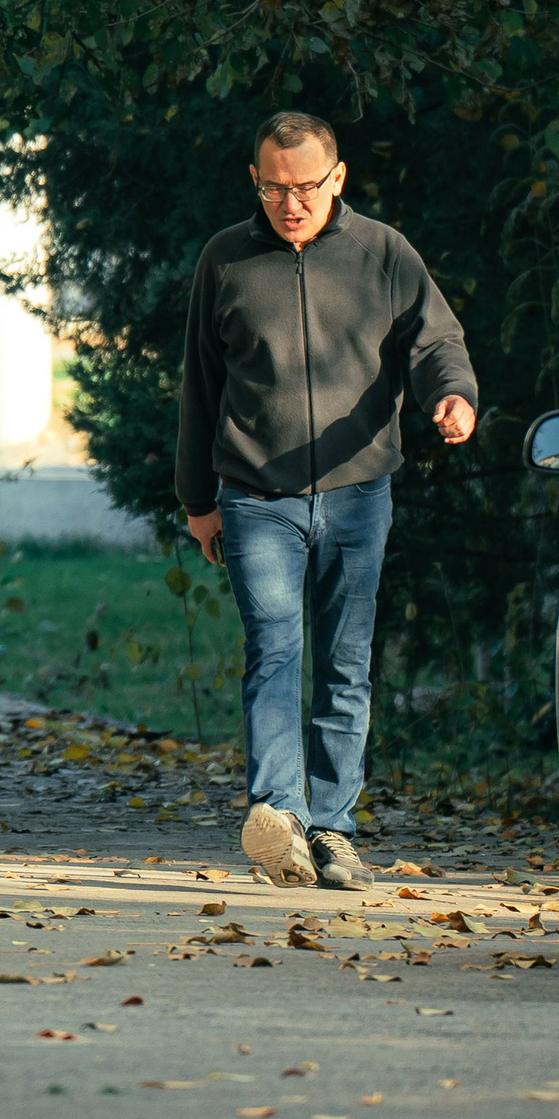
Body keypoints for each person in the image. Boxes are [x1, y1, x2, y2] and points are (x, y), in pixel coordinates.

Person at [175, 107, 478, 890]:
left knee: (345, 665)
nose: (292, 203)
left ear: (337, 178)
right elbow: (200, 386)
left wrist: (454, 396)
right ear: (255, 181)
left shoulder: (384, 253)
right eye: (275, 188)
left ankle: (335, 831)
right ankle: (280, 819)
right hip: (254, 495)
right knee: (273, 651)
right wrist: (195, 498)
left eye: (307, 186)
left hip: (356, 491)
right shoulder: (227, 260)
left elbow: (437, 339)